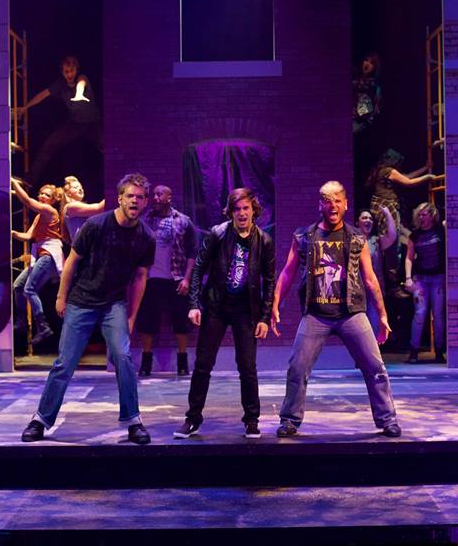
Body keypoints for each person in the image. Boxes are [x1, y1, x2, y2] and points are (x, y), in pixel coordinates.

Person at [21, 173, 156, 444]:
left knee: (123, 357)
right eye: (130, 196)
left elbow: (141, 277)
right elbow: (72, 261)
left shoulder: (145, 237)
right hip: (81, 300)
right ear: (120, 199)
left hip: (113, 304)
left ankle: (133, 421)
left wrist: (131, 316)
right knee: (65, 362)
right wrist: (61, 297)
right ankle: (40, 420)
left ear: (145, 202)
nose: (135, 201)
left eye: (140, 197)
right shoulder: (97, 225)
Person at [271, 181, 401, 438]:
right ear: (320, 205)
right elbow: (287, 273)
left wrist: (383, 315)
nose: (333, 206)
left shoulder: (357, 238)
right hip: (316, 314)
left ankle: (387, 420)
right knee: (297, 367)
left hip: (351, 313)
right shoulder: (304, 237)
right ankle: (289, 420)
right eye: (328, 201)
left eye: (337, 201)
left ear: (345, 204)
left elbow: (370, 279)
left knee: (375, 368)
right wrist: (275, 305)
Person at [174, 188, 276, 440]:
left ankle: (251, 420)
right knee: (203, 365)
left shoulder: (264, 241)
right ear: (230, 212)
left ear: (253, 210)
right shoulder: (218, 233)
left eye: (246, 208)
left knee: (248, 368)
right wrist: (194, 304)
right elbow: (198, 268)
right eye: (237, 209)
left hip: (246, 311)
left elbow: (269, 281)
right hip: (216, 307)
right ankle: (193, 418)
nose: (242, 213)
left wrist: (264, 318)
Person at [137, 185, 198, 376]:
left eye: (159, 194)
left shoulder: (183, 221)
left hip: (176, 278)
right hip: (150, 279)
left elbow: (192, 253)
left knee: (181, 322)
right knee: (147, 322)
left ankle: (182, 362)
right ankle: (146, 363)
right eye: (153, 195)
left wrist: (187, 279)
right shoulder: (144, 220)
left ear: (169, 198)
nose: (155, 198)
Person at [20, 56, 101, 186]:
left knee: (106, 146)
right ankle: (30, 179)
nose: (69, 74)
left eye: (72, 71)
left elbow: (81, 84)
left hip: (93, 122)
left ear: (76, 70)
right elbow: (42, 95)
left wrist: (79, 95)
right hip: (75, 123)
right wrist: (25, 107)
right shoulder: (60, 84)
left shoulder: (82, 78)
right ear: (62, 72)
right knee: (49, 145)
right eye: (66, 71)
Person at [11, 179, 63, 347]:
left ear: (53, 200)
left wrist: (14, 183)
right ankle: (21, 321)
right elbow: (28, 236)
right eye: (40, 193)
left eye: (46, 195)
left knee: (30, 289)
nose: (42, 196)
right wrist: (13, 233)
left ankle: (43, 326)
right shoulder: (40, 216)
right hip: (41, 254)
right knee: (18, 286)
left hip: (49, 254)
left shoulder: (49, 210)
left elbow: (27, 201)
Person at [404, 202, 446, 364]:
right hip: (421, 279)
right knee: (420, 313)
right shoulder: (415, 235)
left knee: (438, 315)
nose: (421, 217)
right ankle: (414, 350)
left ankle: (439, 350)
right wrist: (408, 277)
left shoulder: (440, 231)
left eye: (424, 214)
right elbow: (409, 257)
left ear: (432, 215)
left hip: (438, 278)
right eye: (419, 215)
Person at [365, 149, 435, 234]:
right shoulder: (388, 170)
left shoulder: (381, 170)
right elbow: (408, 182)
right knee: (391, 230)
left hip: (379, 203)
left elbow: (406, 177)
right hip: (386, 202)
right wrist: (427, 177)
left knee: (387, 230)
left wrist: (425, 168)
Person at [356, 207, 396, 339]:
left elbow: (392, 236)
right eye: (364, 218)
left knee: (373, 326)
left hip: (373, 290)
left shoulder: (376, 241)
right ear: (357, 222)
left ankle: (373, 352)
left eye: (370, 218)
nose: (368, 220)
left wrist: (387, 213)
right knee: (358, 329)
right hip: (356, 292)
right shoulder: (352, 241)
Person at [60, 175, 106, 243]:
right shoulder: (71, 207)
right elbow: (99, 209)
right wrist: (113, 193)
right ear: (68, 193)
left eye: (81, 187)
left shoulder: (77, 207)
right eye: (75, 187)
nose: (80, 189)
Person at [352, 52, 382, 135]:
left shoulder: (373, 84)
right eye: (366, 60)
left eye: (371, 63)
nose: (367, 64)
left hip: (361, 121)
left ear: (375, 68)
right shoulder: (357, 78)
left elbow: (364, 111)